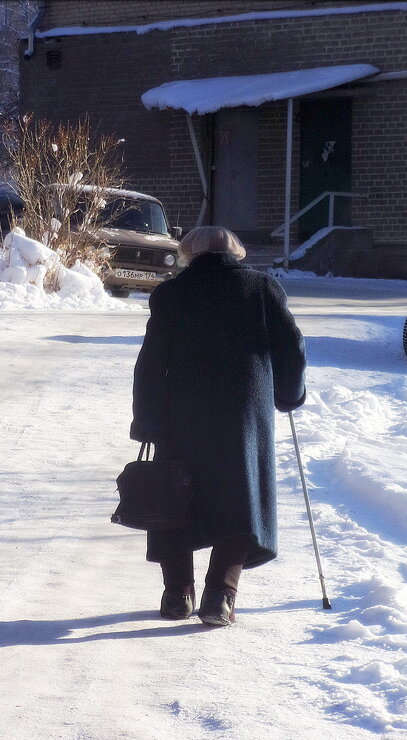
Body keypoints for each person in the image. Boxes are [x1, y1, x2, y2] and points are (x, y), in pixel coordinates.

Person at [131, 226, 307, 626]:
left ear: (189, 255)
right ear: (237, 253)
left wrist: (147, 420)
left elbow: (151, 362)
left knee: (174, 497)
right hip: (243, 416)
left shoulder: (171, 295)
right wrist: (289, 394)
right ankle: (220, 596)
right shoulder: (262, 289)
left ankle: (177, 595)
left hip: (181, 415)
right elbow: (292, 347)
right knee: (240, 498)